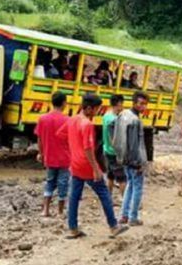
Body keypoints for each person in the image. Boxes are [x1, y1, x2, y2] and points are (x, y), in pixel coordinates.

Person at [57, 93, 129, 239]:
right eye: (96, 109)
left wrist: (73, 147)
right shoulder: (87, 124)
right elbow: (88, 149)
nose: (97, 112)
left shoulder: (73, 120)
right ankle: (113, 226)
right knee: (104, 194)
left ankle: (73, 228)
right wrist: (96, 168)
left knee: (74, 197)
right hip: (87, 165)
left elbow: (60, 134)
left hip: (75, 165)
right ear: (89, 108)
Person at [113, 91, 149, 226]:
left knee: (129, 187)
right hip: (134, 160)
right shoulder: (135, 120)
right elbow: (135, 145)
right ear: (134, 103)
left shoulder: (122, 115)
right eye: (141, 104)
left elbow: (116, 139)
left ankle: (124, 215)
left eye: (145, 104)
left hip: (123, 158)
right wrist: (138, 163)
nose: (143, 106)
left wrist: (120, 157)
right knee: (137, 188)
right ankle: (133, 217)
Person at [35, 92, 70, 217]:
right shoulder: (67, 120)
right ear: (64, 103)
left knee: (49, 182)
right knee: (63, 184)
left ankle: (45, 210)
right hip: (65, 158)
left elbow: (39, 138)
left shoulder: (43, 119)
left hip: (49, 157)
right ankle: (60, 211)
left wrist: (41, 153)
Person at [103, 94, 127, 197]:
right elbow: (114, 139)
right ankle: (126, 201)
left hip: (106, 150)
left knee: (110, 176)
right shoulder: (114, 120)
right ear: (118, 104)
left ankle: (109, 197)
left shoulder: (106, 115)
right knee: (122, 178)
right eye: (121, 104)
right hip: (114, 153)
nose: (122, 107)